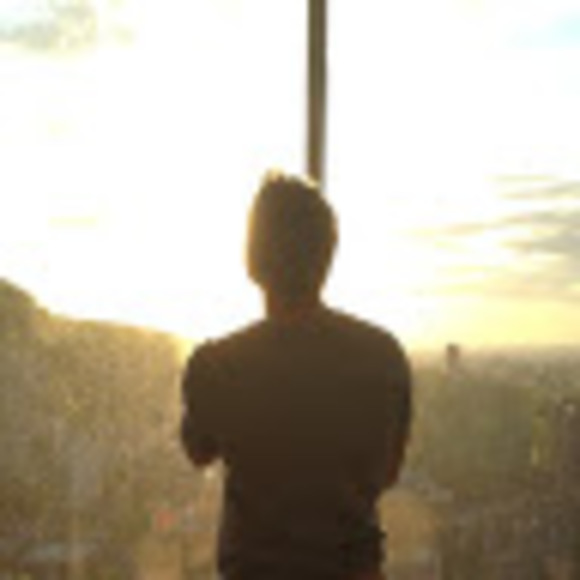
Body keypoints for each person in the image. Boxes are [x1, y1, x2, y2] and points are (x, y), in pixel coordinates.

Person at [181, 172, 412, 580]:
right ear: (328, 254)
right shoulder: (383, 357)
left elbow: (198, 451)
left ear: (252, 258)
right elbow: (388, 472)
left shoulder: (219, 365)